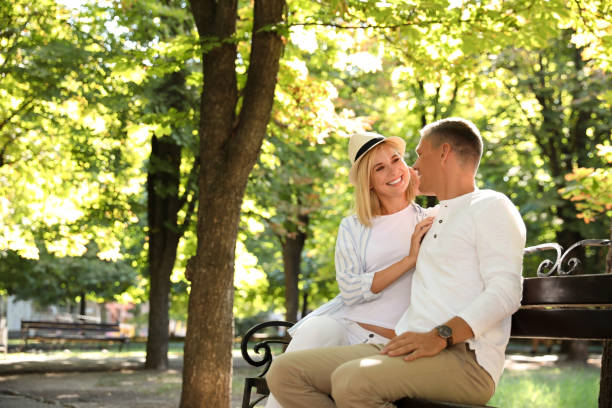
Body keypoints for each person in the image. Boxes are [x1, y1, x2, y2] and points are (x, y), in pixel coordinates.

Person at [266, 117, 526, 407]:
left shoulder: (490, 205)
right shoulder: (433, 217)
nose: (412, 166)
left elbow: (506, 291)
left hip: (465, 359)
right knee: (284, 372)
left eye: (418, 153)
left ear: (444, 153)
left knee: (352, 381)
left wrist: (441, 335)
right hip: (406, 346)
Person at [265, 131, 435, 408]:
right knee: (312, 336)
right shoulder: (353, 226)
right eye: (379, 168)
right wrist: (409, 259)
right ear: (368, 182)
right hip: (345, 328)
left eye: (395, 160)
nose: (393, 171)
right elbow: (351, 290)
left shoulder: (430, 220)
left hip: (389, 342)